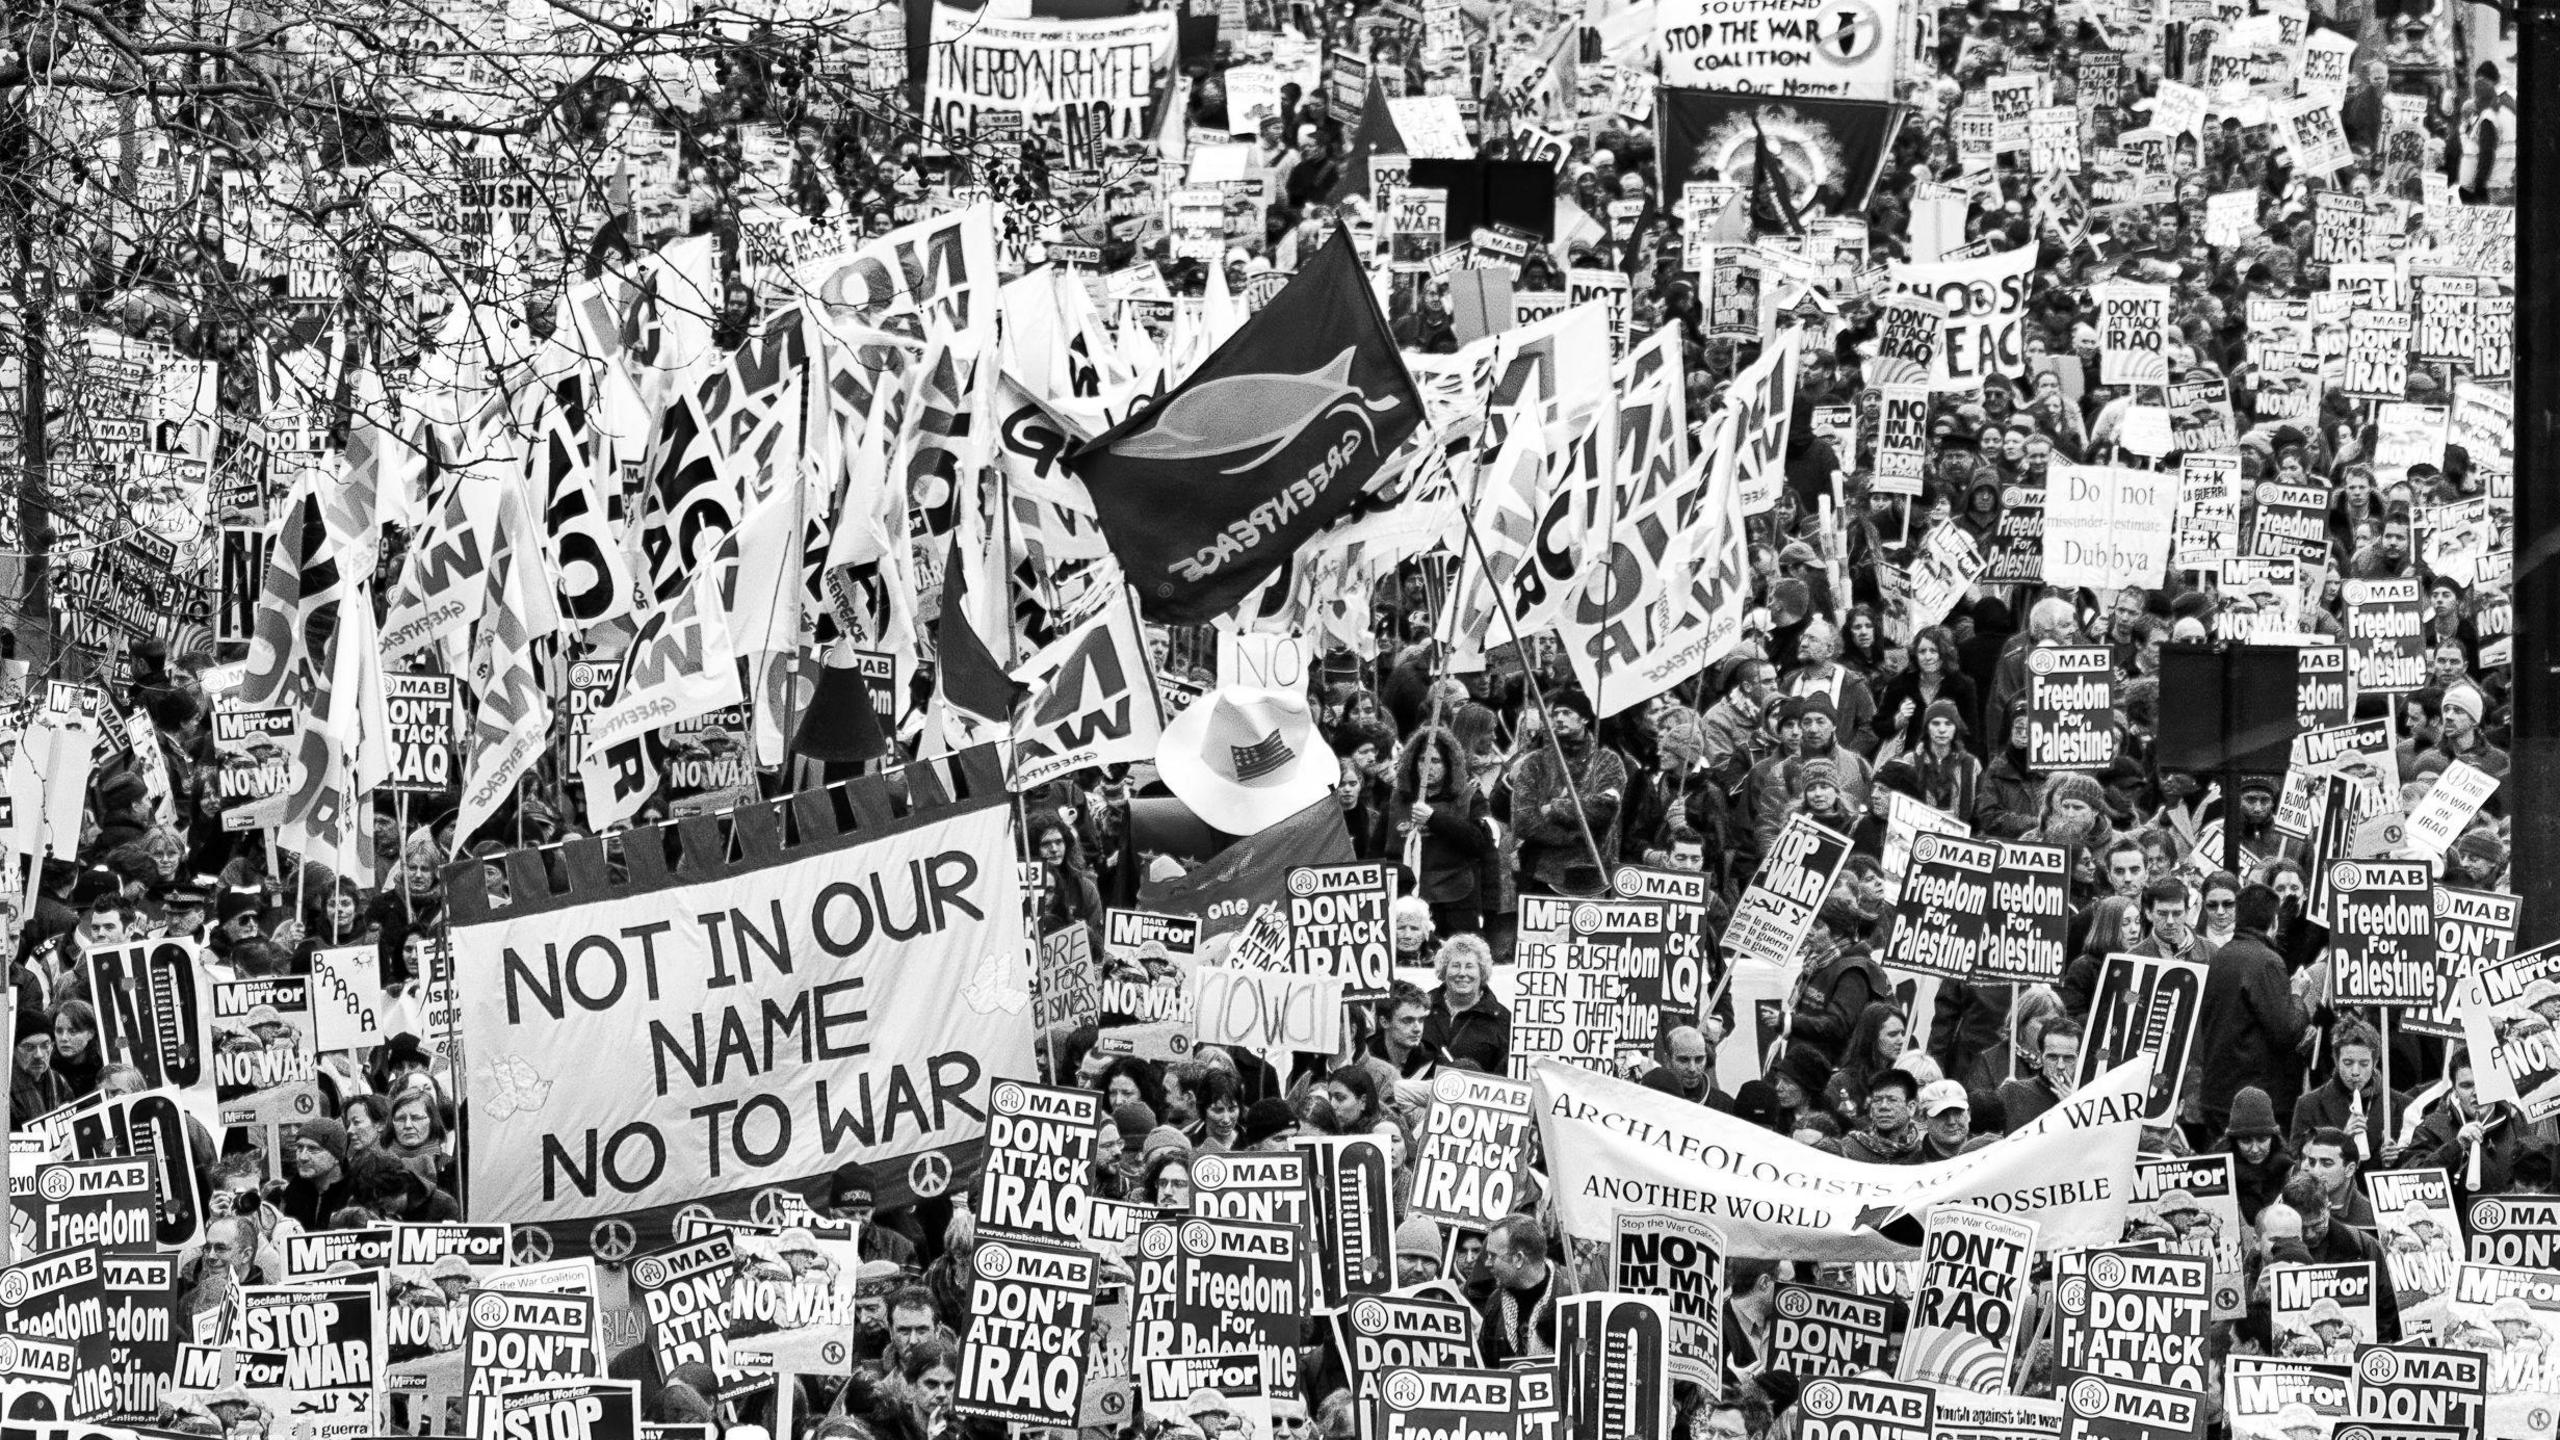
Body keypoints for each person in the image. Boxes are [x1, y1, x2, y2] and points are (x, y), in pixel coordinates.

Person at [2195, 884, 2310, 1138]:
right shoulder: (2267, 961)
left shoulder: (2222, 955)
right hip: (2253, 1101)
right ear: (2274, 920)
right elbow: (2285, 1031)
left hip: (2218, 1094)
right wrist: (2297, 995)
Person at [2290, 1019, 2405, 1170]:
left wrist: (2397, 1159)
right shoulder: (2309, 1105)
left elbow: (2415, 1168)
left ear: (2375, 1062)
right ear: (2336, 1061)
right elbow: (2297, 1169)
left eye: (2364, 1064)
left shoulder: (2401, 1104)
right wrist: (2340, 1142)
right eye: (2348, 1063)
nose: (2355, 1072)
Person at [1476, 1214, 1560, 1364]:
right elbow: (1484, 1368)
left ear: (1519, 1259)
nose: (1487, 1263)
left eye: (1493, 1256)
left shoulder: (1572, 1294)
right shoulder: (1495, 1303)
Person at [1423, 935, 1510, 1076]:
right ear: (1444, 971)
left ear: (1481, 972)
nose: (1462, 973)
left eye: (1469, 966)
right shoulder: (1423, 1007)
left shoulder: (1502, 1019)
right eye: (1455, 966)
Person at [1640, 1026, 1719, 1107]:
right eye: (1684, 1060)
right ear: (1667, 1060)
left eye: (1699, 1059)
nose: (1692, 1068)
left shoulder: (1725, 1105)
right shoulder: (1647, 1098)